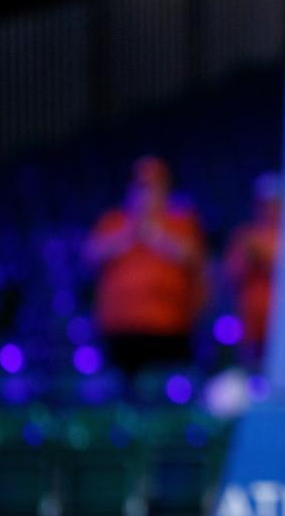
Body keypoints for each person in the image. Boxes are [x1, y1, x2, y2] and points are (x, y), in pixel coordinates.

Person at [84, 155, 207, 377]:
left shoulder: (181, 221)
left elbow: (194, 257)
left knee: (168, 391)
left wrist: (156, 236)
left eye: (153, 186)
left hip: (169, 327)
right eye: (140, 187)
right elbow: (91, 254)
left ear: (165, 189)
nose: (146, 194)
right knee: (124, 391)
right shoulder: (114, 221)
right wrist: (131, 233)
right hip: (120, 328)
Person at [224, 172, 283, 368]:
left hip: (283, 321)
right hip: (252, 320)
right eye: (264, 204)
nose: (269, 209)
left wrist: (264, 257)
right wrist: (249, 257)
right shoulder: (245, 236)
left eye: (275, 203)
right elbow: (233, 275)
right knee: (252, 372)